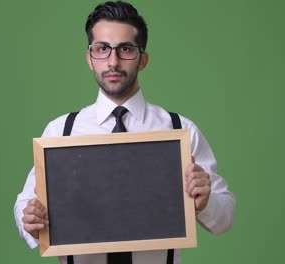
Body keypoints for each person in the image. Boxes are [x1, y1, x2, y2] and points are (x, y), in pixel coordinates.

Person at [14, 1, 235, 263]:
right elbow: (25, 204)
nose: (113, 61)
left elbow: (225, 217)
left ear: (142, 59)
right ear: (89, 58)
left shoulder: (179, 130)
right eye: (102, 49)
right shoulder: (61, 132)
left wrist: (205, 201)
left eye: (125, 49)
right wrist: (28, 219)